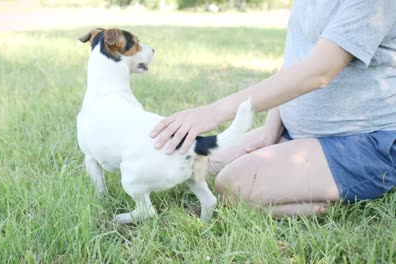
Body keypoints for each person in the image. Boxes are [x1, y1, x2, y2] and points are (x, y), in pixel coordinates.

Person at [150, 0, 396, 217]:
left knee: (232, 186)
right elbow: (295, 61)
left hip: (365, 143)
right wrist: (271, 129)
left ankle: (338, 199)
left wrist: (214, 112)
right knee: (202, 165)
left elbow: (319, 72)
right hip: (300, 133)